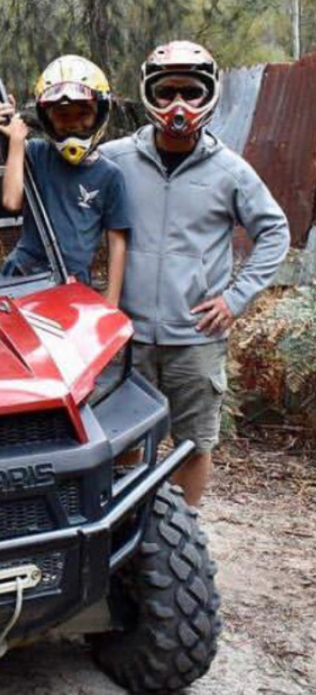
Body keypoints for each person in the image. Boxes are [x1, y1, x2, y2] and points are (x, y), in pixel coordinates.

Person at [100, 40, 289, 506]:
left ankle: (184, 534)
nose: (178, 106)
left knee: (193, 444)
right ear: (149, 94)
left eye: (191, 92)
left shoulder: (230, 170)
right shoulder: (115, 159)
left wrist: (235, 298)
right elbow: (65, 197)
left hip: (196, 338)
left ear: (210, 95)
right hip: (127, 336)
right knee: (120, 442)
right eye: (166, 93)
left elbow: (275, 231)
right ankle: (126, 535)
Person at [0, 54, 130, 306]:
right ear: (47, 118)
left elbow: (117, 238)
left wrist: (112, 298)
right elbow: (11, 200)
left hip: (72, 282)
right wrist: (15, 139)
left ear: (100, 113)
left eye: (82, 113)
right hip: (25, 277)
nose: (73, 124)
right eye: (63, 115)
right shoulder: (36, 153)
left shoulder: (110, 176)